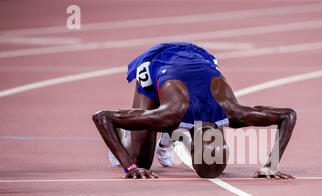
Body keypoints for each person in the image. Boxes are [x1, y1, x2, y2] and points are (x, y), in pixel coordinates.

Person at [93, 42, 297, 179]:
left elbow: (288, 115)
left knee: (144, 163)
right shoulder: (174, 114)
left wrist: (272, 165)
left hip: (197, 60)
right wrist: (130, 167)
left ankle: (164, 135)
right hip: (158, 61)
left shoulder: (231, 114)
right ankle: (129, 129)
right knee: (140, 162)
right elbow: (102, 117)